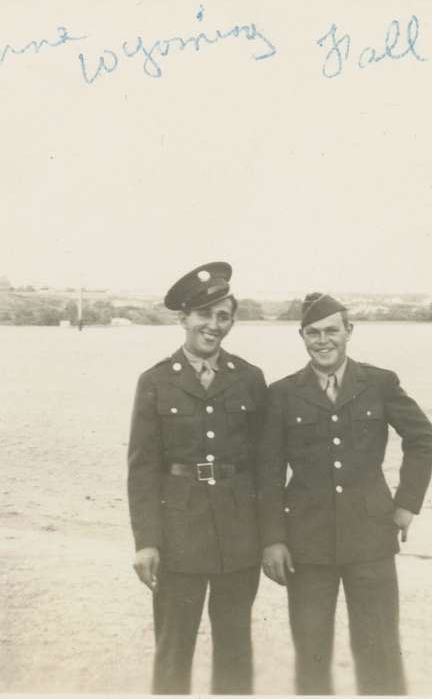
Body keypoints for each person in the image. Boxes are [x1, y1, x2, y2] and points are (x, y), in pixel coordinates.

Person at [257, 292, 432, 695]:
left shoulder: (379, 382)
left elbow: (423, 437)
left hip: (371, 537)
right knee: (311, 651)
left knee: (380, 649)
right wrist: (272, 538)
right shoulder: (283, 393)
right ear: (301, 336)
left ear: (349, 331)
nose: (323, 341)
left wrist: (407, 503)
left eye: (332, 331)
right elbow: (267, 472)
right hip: (307, 541)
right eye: (313, 333)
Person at [127, 261, 268, 694]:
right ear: (183, 318)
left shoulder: (249, 378)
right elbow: (142, 467)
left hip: (238, 534)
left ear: (232, 320)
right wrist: (147, 541)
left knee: (235, 650)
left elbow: (265, 464)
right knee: (174, 649)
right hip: (178, 534)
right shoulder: (154, 382)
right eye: (204, 315)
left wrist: (269, 533)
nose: (213, 325)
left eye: (223, 316)